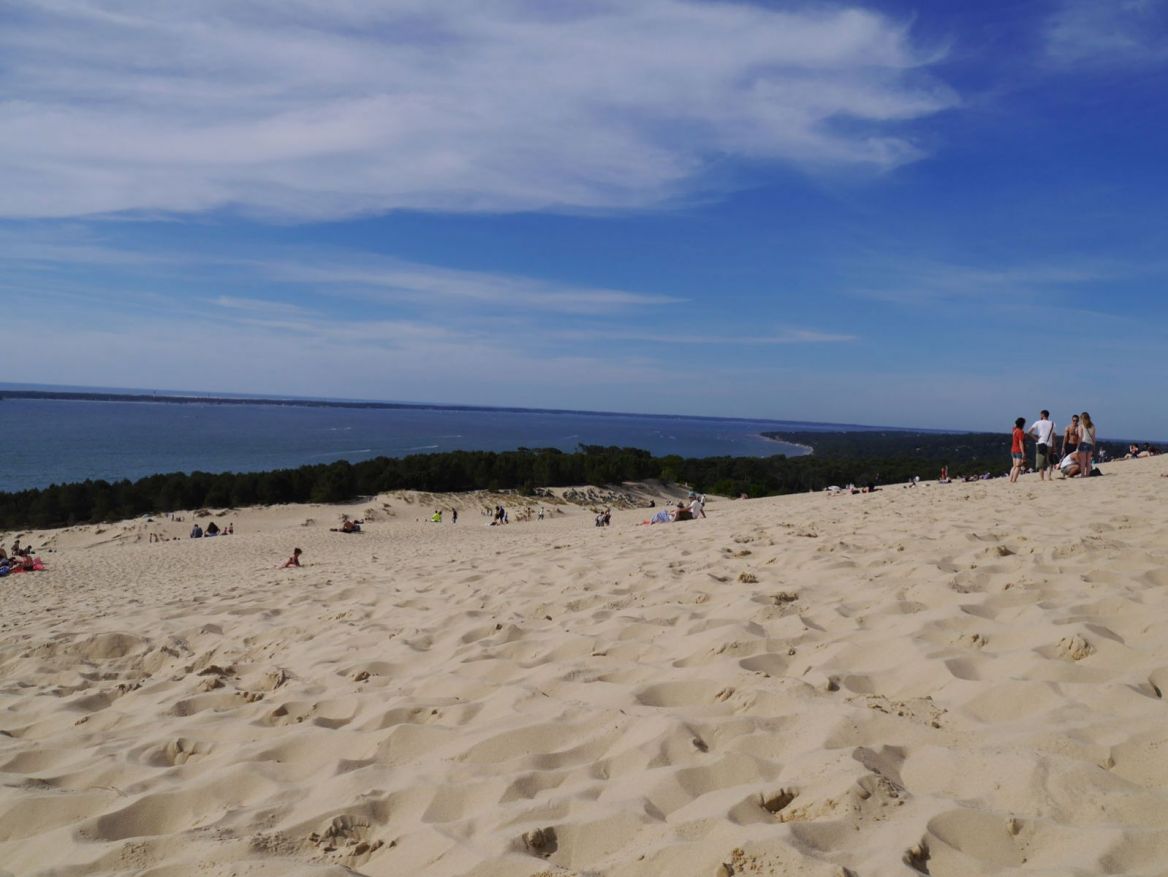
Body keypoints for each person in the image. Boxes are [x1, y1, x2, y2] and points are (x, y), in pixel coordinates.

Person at [1028, 410, 1056, 481]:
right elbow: (1053, 436)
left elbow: (1029, 432)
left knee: (1041, 463)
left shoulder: (1038, 422)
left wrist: (1036, 438)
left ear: (1042, 415)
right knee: (1049, 462)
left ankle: (1042, 478)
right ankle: (1049, 477)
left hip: (1040, 443)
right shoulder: (1052, 423)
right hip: (1049, 444)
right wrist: (1054, 446)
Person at [1078, 411, 1097, 478]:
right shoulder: (1092, 426)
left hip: (1083, 443)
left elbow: (1080, 437)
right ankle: (1087, 474)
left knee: (1083, 461)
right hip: (1090, 444)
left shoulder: (1081, 426)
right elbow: (1094, 437)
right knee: (1088, 461)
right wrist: (1094, 446)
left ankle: (1082, 475)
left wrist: (1077, 446)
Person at [1009, 417, 1026, 483]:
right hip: (1018, 450)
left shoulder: (1014, 430)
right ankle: (1014, 480)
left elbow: (1015, 425)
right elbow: (1021, 442)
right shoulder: (1020, 432)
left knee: (1014, 466)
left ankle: (1010, 479)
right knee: (1018, 466)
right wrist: (1023, 452)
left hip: (1013, 449)